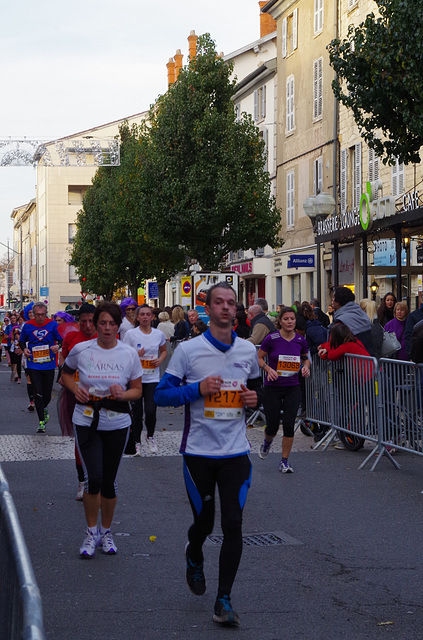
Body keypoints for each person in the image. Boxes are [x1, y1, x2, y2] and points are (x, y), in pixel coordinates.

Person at [154, 283, 262, 627]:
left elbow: (255, 390)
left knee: (233, 524)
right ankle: (194, 552)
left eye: (232, 303)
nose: (227, 308)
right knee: (204, 522)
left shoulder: (247, 350)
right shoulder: (188, 351)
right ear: (208, 309)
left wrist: (253, 401)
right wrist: (197, 389)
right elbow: (161, 396)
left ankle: (223, 599)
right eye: (220, 302)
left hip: (236, 453)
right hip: (198, 453)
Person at [61, 302, 142, 558]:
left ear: (119, 326)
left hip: (117, 422)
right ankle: (90, 531)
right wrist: (76, 389)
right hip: (86, 420)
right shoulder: (81, 349)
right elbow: (65, 374)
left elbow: (137, 391)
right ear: (95, 324)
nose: (107, 328)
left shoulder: (129, 353)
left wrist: (122, 393)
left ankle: (106, 532)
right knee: (93, 477)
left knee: (109, 481)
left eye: (112, 324)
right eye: (103, 323)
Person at [257, 306, 310, 473]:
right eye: (286, 319)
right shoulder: (272, 339)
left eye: (292, 319)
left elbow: (305, 358)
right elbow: (259, 357)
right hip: (273, 388)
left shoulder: (300, 340)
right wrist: (268, 369)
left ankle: (284, 461)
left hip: (292, 387)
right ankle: (267, 442)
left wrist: (306, 367)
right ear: (280, 321)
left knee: (288, 424)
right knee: (272, 426)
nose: (289, 322)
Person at [60, 302, 97, 500]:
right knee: (80, 439)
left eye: (92, 321)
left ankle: (97, 479)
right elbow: (65, 366)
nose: (88, 326)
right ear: (79, 322)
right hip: (77, 394)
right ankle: (82, 481)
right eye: (84, 322)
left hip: (101, 396)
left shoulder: (107, 338)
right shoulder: (72, 338)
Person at [124, 304, 167, 455]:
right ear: (137, 317)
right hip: (135, 379)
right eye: (142, 314)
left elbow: (164, 350)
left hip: (152, 378)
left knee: (151, 410)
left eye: (148, 314)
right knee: (136, 412)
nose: (145, 317)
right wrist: (136, 354)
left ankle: (150, 436)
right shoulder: (131, 334)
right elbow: (123, 354)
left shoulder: (158, 334)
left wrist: (160, 360)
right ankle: (137, 442)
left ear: (152, 317)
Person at [19, 302, 62, 433]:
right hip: (33, 364)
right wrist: (24, 349)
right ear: (33, 314)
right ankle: (41, 422)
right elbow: (21, 341)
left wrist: (57, 347)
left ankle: (43, 408)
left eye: (43, 315)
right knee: (37, 392)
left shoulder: (53, 325)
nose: (40, 317)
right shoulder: (27, 326)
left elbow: (60, 340)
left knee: (47, 394)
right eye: (37, 315)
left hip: (48, 364)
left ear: (46, 314)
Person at [332, 286, 374, 356]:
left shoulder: (341, 320)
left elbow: (335, 343)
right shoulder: (362, 314)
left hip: (354, 361)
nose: (332, 300)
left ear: (338, 302)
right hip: (368, 357)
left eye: (333, 298)